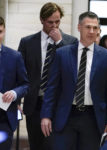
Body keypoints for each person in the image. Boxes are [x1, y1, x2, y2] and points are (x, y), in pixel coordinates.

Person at [41, 11, 107, 150]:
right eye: (88, 27)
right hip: (66, 115)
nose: (92, 31)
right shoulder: (62, 54)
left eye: (95, 28)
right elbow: (52, 87)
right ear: (79, 27)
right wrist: (46, 115)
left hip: (93, 117)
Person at [18, 2, 77, 150]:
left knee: (56, 145)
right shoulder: (27, 42)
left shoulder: (71, 42)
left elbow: (73, 70)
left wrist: (59, 42)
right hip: (34, 103)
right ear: (42, 20)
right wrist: (17, 101)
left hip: (59, 104)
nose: (54, 26)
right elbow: (19, 73)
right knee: (36, 145)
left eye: (57, 21)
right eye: (50, 22)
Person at [0, 16, 29, 150]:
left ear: (4, 31)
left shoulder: (14, 56)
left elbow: (25, 85)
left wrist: (14, 93)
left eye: (0, 32)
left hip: (4, 119)